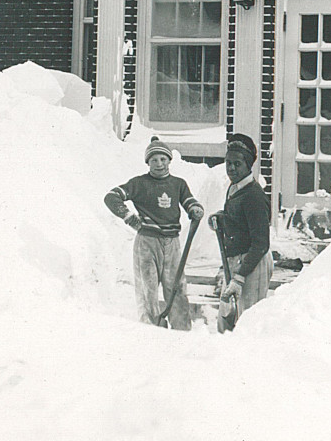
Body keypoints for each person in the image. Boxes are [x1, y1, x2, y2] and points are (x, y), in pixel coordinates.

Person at [103, 136, 204, 330]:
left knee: (176, 289)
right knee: (147, 290)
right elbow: (111, 197)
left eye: (163, 159)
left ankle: (181, 331)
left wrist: (195, 209)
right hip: (147, 243)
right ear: (148, 162)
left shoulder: (178, 184)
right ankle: (150, 330)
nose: (159, 164)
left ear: (169, 161)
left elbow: (189, 200)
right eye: (154, 160)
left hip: (172, 243)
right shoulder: (139, 183)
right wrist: (128, 216)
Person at [210, 133, 272, 332]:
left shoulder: (254, 195)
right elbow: (240, 219)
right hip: (236, 261)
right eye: (228, 163)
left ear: (248, 165)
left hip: (252, 264)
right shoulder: (235, 188)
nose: (232, 168)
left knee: (246, 323)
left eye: (237, 163)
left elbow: (261, 243)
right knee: (227, 318)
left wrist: (240, 277)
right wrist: (221, 218)